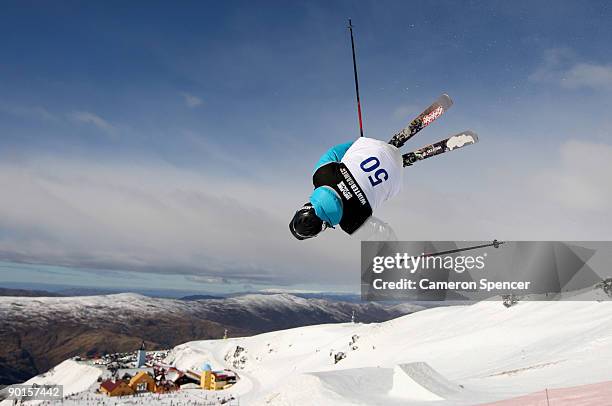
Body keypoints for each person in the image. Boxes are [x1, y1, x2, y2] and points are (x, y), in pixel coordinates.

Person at [289, 136, 404, 240]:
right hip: (376, 149)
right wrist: (361, 144)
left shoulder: (351, 225)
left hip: (396, 174)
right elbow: (337, 151)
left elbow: (385, 235)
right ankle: (388, 152)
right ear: (304, 208)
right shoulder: (320, 175)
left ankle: (396, 160)